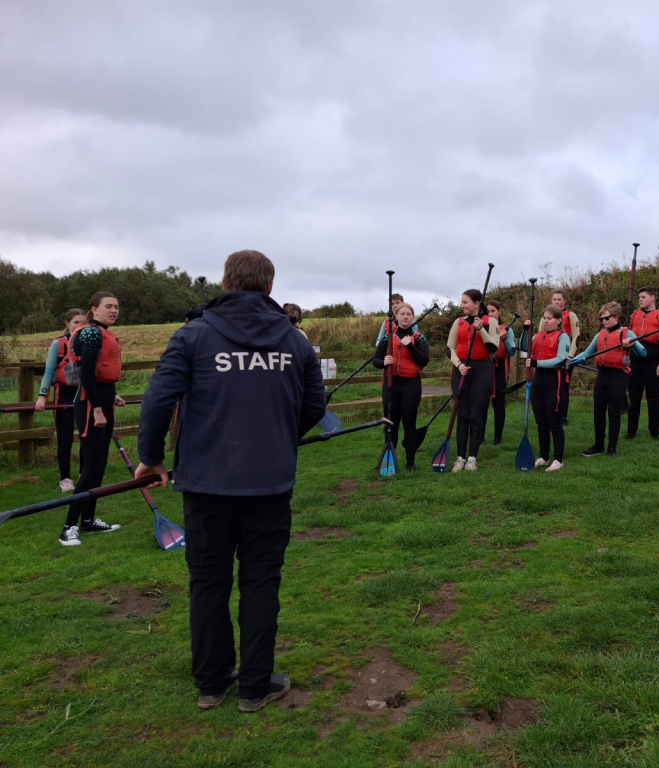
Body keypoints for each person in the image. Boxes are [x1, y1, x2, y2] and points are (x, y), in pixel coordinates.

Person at [135, 249, 326, 712]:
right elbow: (314, 407)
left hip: (207, 482)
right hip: (267, 483)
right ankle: (253, 685)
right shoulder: (295, 340)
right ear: (270, 288)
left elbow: (158, 400)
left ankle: (213, 682)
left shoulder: (193, 335)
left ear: (226, 282)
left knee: (209, 581)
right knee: (261, 582)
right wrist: (281, 439)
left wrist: (150, 458)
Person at [58, 293, 126, 546]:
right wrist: (97, 408)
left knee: (98, 466)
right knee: (91, 467)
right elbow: (86, 372)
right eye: (108, 306)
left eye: (116, 307)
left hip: (102, 399)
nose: (114, 310)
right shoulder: (91, 333)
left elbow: (99, 374)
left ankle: (87, 520)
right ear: (94, 310)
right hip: (89, 405)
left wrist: (111, 397)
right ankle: (68, 528)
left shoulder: (101, 332)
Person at [573, 302, 646, 458]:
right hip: (602, 375)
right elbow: (586, 353)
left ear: (616, 317)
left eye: (606, 318)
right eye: (601, 319)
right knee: (598, 412)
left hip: (618, 376)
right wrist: (569, 361)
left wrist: (630, 346)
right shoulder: (600, 335)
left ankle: (612, 448)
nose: (603, 321)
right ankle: (598, 445)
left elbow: (643, 353)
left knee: (613, 412)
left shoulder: (628, 334)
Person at [445, 289, 498, 472]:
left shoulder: (490, 322)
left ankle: (472, 458)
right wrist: (458, 364)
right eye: (461, 302)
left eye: (465, 302)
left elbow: (493, 348)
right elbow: (450, 348)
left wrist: (480, 329)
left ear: (476, 304)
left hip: (482, 371)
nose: (462, 305)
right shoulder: (457, 322)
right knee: (462, 416)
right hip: (462, 370)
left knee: (476, 416)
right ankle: (459, 457)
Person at [373, 302, 430, 471]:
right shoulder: (387, 337)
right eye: (402, 314)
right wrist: (383, 361)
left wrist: (409, 345)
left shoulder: (419, 338)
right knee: (391, 424)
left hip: (411, 385)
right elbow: (376, 360)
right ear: (396, 317)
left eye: (409, 314)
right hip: (391, 385)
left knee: (409, 423)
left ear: (413, 318)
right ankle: (388, 460)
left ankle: (410, 462)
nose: (405, 317)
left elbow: (423, 360)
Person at [35, 308, 87, 492]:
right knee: (65, 439)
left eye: (83, 323)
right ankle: (65, 478)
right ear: (67, 323)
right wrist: (43, 396)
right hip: (63, 394)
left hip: (84, 394)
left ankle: (84, 473)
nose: (80, 327)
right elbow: (49, 371)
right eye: (76, 323)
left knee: (86, 436)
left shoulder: (89, 343)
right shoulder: (59, 344)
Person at [523, 305, 571, 472]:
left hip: (553, 380)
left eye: (549, 318)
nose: (546, 321)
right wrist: (526, 331)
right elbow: (524, 347)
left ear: (558, 320)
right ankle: (544, 456)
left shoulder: (563, 337)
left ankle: (558, 459)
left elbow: (560, 360)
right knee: (541, 422)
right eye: (544, 318)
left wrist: (536, 363)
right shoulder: (538, 335)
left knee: (554, 422)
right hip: (538, 381)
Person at [626, 287, 659, 440]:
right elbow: (625, 335)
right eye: (639, 297)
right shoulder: (633, 315)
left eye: (643, 297)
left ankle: (654, 432)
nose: (640, 299)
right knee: (633, 397)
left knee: (653, 397)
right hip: (635, 359)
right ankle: (631, 431)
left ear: (652, 298)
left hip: (653, 360)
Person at [485, 300, 517, 447]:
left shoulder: (507, 330)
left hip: (500, 369)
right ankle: (480, 437)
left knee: (499, 404)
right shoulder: (482, 328)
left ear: (499, 311)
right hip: (484, 368)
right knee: (482, 404)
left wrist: (504, 339)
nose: (490, 314)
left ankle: (498, 438)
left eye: (492, 311)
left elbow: (511, 351)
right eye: (487, 312)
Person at [550, 291, 580, 426]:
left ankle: (563, 416)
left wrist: (570, 357)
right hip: (550, 356)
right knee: (551, 385)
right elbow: (540, 335)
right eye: (554, 299)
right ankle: (551, 413)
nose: (556, 302)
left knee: (563, 386)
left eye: (559, 299)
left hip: (566, 356)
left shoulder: (570, 315)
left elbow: (576, 336)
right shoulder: (547, 315)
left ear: (564, 302)